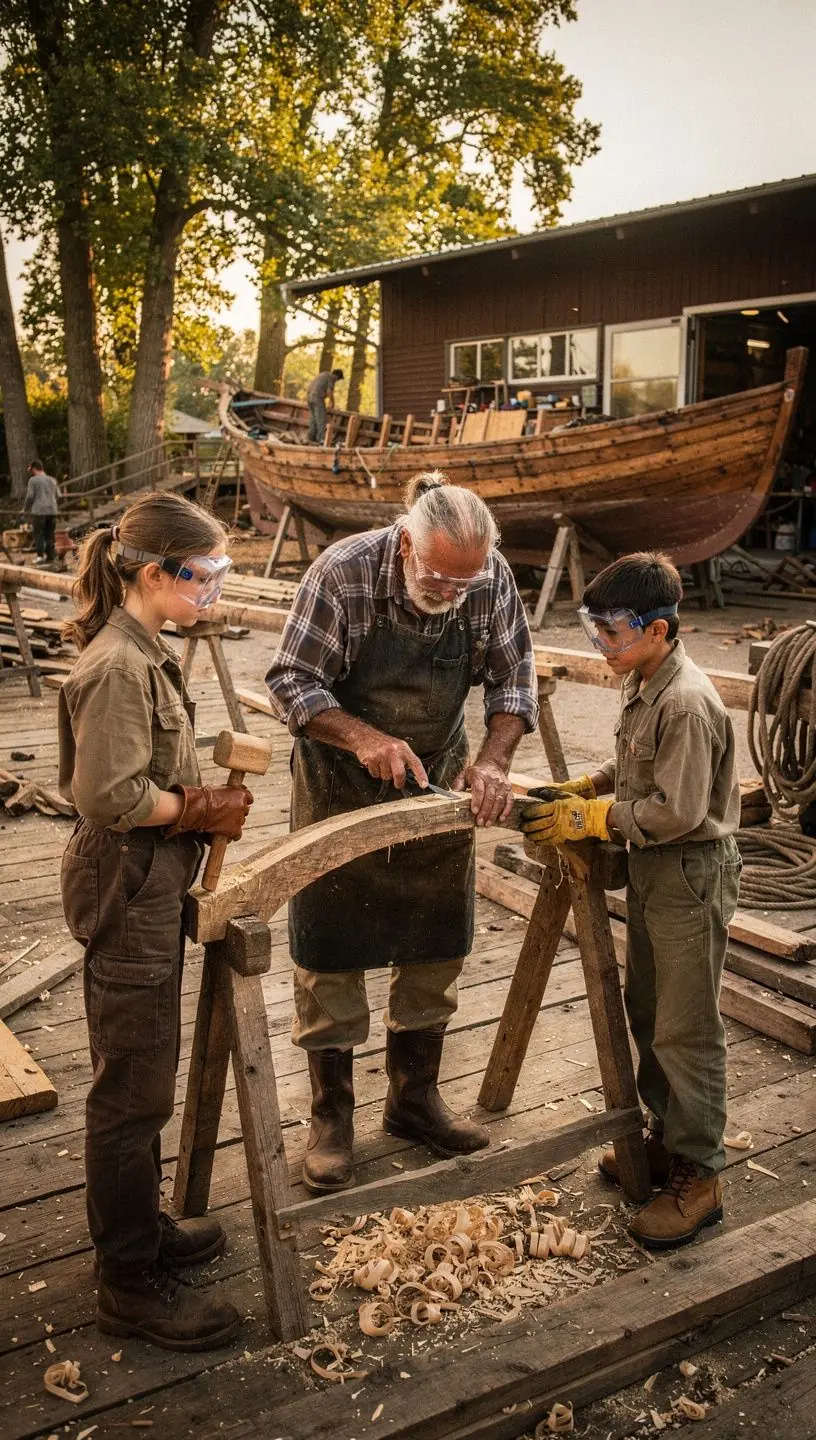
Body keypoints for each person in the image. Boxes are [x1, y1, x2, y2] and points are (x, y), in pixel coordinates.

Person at [266, 471, 538, 1194]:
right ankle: (332, 1118)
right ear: (405, 541)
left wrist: (492, 761)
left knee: (435, 942)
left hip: (437, 782)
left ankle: (413, 1101)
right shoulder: (343, 573)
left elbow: (514, 683)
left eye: (464, 585)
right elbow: (291, 681)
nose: (453, 595)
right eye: (439, 580)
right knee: (329, 950)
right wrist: (361, 738)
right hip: (338, 784)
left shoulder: (488, 578)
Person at [58, 492, 252, 1350]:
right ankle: (126, 1279)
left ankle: (140, 1229)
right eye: (201, 575)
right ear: (151, 572)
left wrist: (195, 810)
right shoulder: (117, 667)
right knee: (131, 1089)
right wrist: (200, 806)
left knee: (147, 1070)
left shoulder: (150, 650)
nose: (210, 591)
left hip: (152, 879)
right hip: (128, 885)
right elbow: (110, 796)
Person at [521, 552, 741, 1250]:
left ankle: (701, 1175)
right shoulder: (644, 680)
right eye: (596, 633)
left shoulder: (688, 700)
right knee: (648, 1012)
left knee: (686, 1028)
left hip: (687, 871)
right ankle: (664, 1138)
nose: (602, 647)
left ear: (660, 629)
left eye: (612, 632)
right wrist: (589, 785)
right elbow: (635, 764)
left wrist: (595, 818)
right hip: (653, 872)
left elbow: (675, 809)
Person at [23, 460, 60, 564]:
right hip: (52, 511)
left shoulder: (33, 480)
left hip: (39, 511)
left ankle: (39, 556)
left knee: (38, 533)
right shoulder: (52, 480)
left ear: (34, 469)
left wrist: (25, 508)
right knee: (49, 534)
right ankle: (51, 557)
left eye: (31, 470)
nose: (31, 472)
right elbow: (57, 495)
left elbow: (30, 496)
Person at [306, 367, 344, 443]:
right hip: (317, 397)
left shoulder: (323, 374)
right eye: (338, 379)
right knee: (321, 419)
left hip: (309, 396)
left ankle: (311, 436)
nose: (337, 381)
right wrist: (332, 403)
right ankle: (321, 439)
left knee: (313, 418)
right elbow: (329, 392)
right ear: (337, 376)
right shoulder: (331, 378)